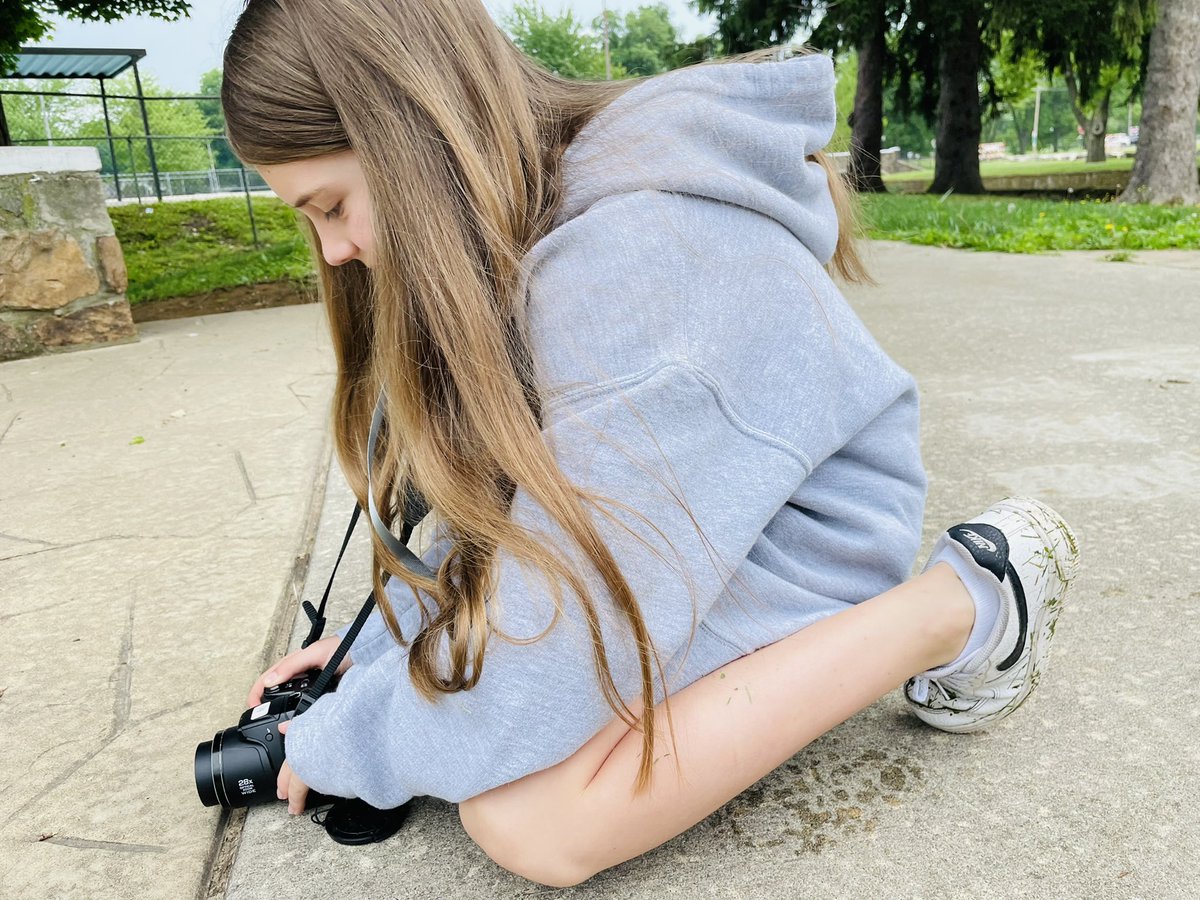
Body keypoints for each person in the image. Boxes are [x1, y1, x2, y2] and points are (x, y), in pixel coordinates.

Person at [223, 0, 1081, 888]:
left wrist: (346, 737)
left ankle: (960, 607)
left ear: (414, 136)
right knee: (487, 740)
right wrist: (376, 647)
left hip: (795, 536)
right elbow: (529, 510)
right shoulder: (532, 216)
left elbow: (540, 677)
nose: (334, 251)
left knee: (533, 815)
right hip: (693, 519)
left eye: (332, 206)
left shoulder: (631, 266)